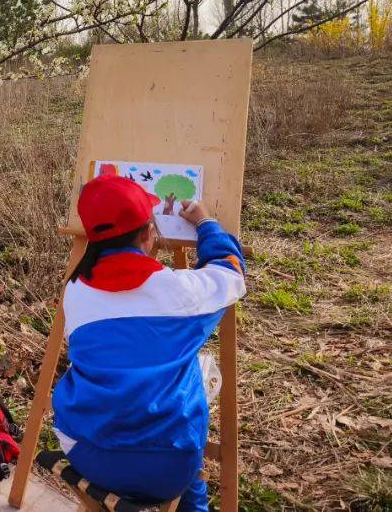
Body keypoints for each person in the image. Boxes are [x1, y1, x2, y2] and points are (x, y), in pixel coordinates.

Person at [51, 174, 246, 512]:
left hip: (83, 449)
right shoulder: (179, 294)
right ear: (147, 233)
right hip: (167, 466)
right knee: (193, 369)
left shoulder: (76, 291)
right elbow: (230, 274)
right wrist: (206, 223)